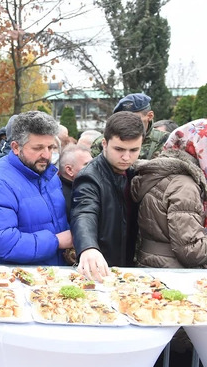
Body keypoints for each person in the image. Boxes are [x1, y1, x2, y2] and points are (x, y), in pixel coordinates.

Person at [0, 111, 72, 265]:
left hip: (53, 275)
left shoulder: (48, 173)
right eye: (38, 148)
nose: (46, 155)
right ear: (15, 147)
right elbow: (2, 243)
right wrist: (55, 241)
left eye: (50, 147)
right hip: (19, 280)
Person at [131, 119, 207, 268]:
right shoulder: (184, 186)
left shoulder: (163, 174)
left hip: (156, 266)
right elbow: (191, 251)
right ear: (200, 149)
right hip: (175, 273)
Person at [71, 111, 144, 281]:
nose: (126, 157)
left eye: (134, 150)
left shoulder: (135, 173)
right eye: (119, 149)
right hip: (100, 269)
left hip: (128, 267)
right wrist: (88, 247)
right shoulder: (89, 176)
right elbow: (84, 212)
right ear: (104, 143)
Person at [90, 93, 168, 160]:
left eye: (134, 118)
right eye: (122, 118)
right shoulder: (103, 142)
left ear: (150, 116)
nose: (128, 123)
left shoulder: (165, 140)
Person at [58, 144, 92, 221]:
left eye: (93, 163)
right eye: (87, 164)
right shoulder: (61, 199)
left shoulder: (90, 187)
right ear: (69, 170)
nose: (93, 167)